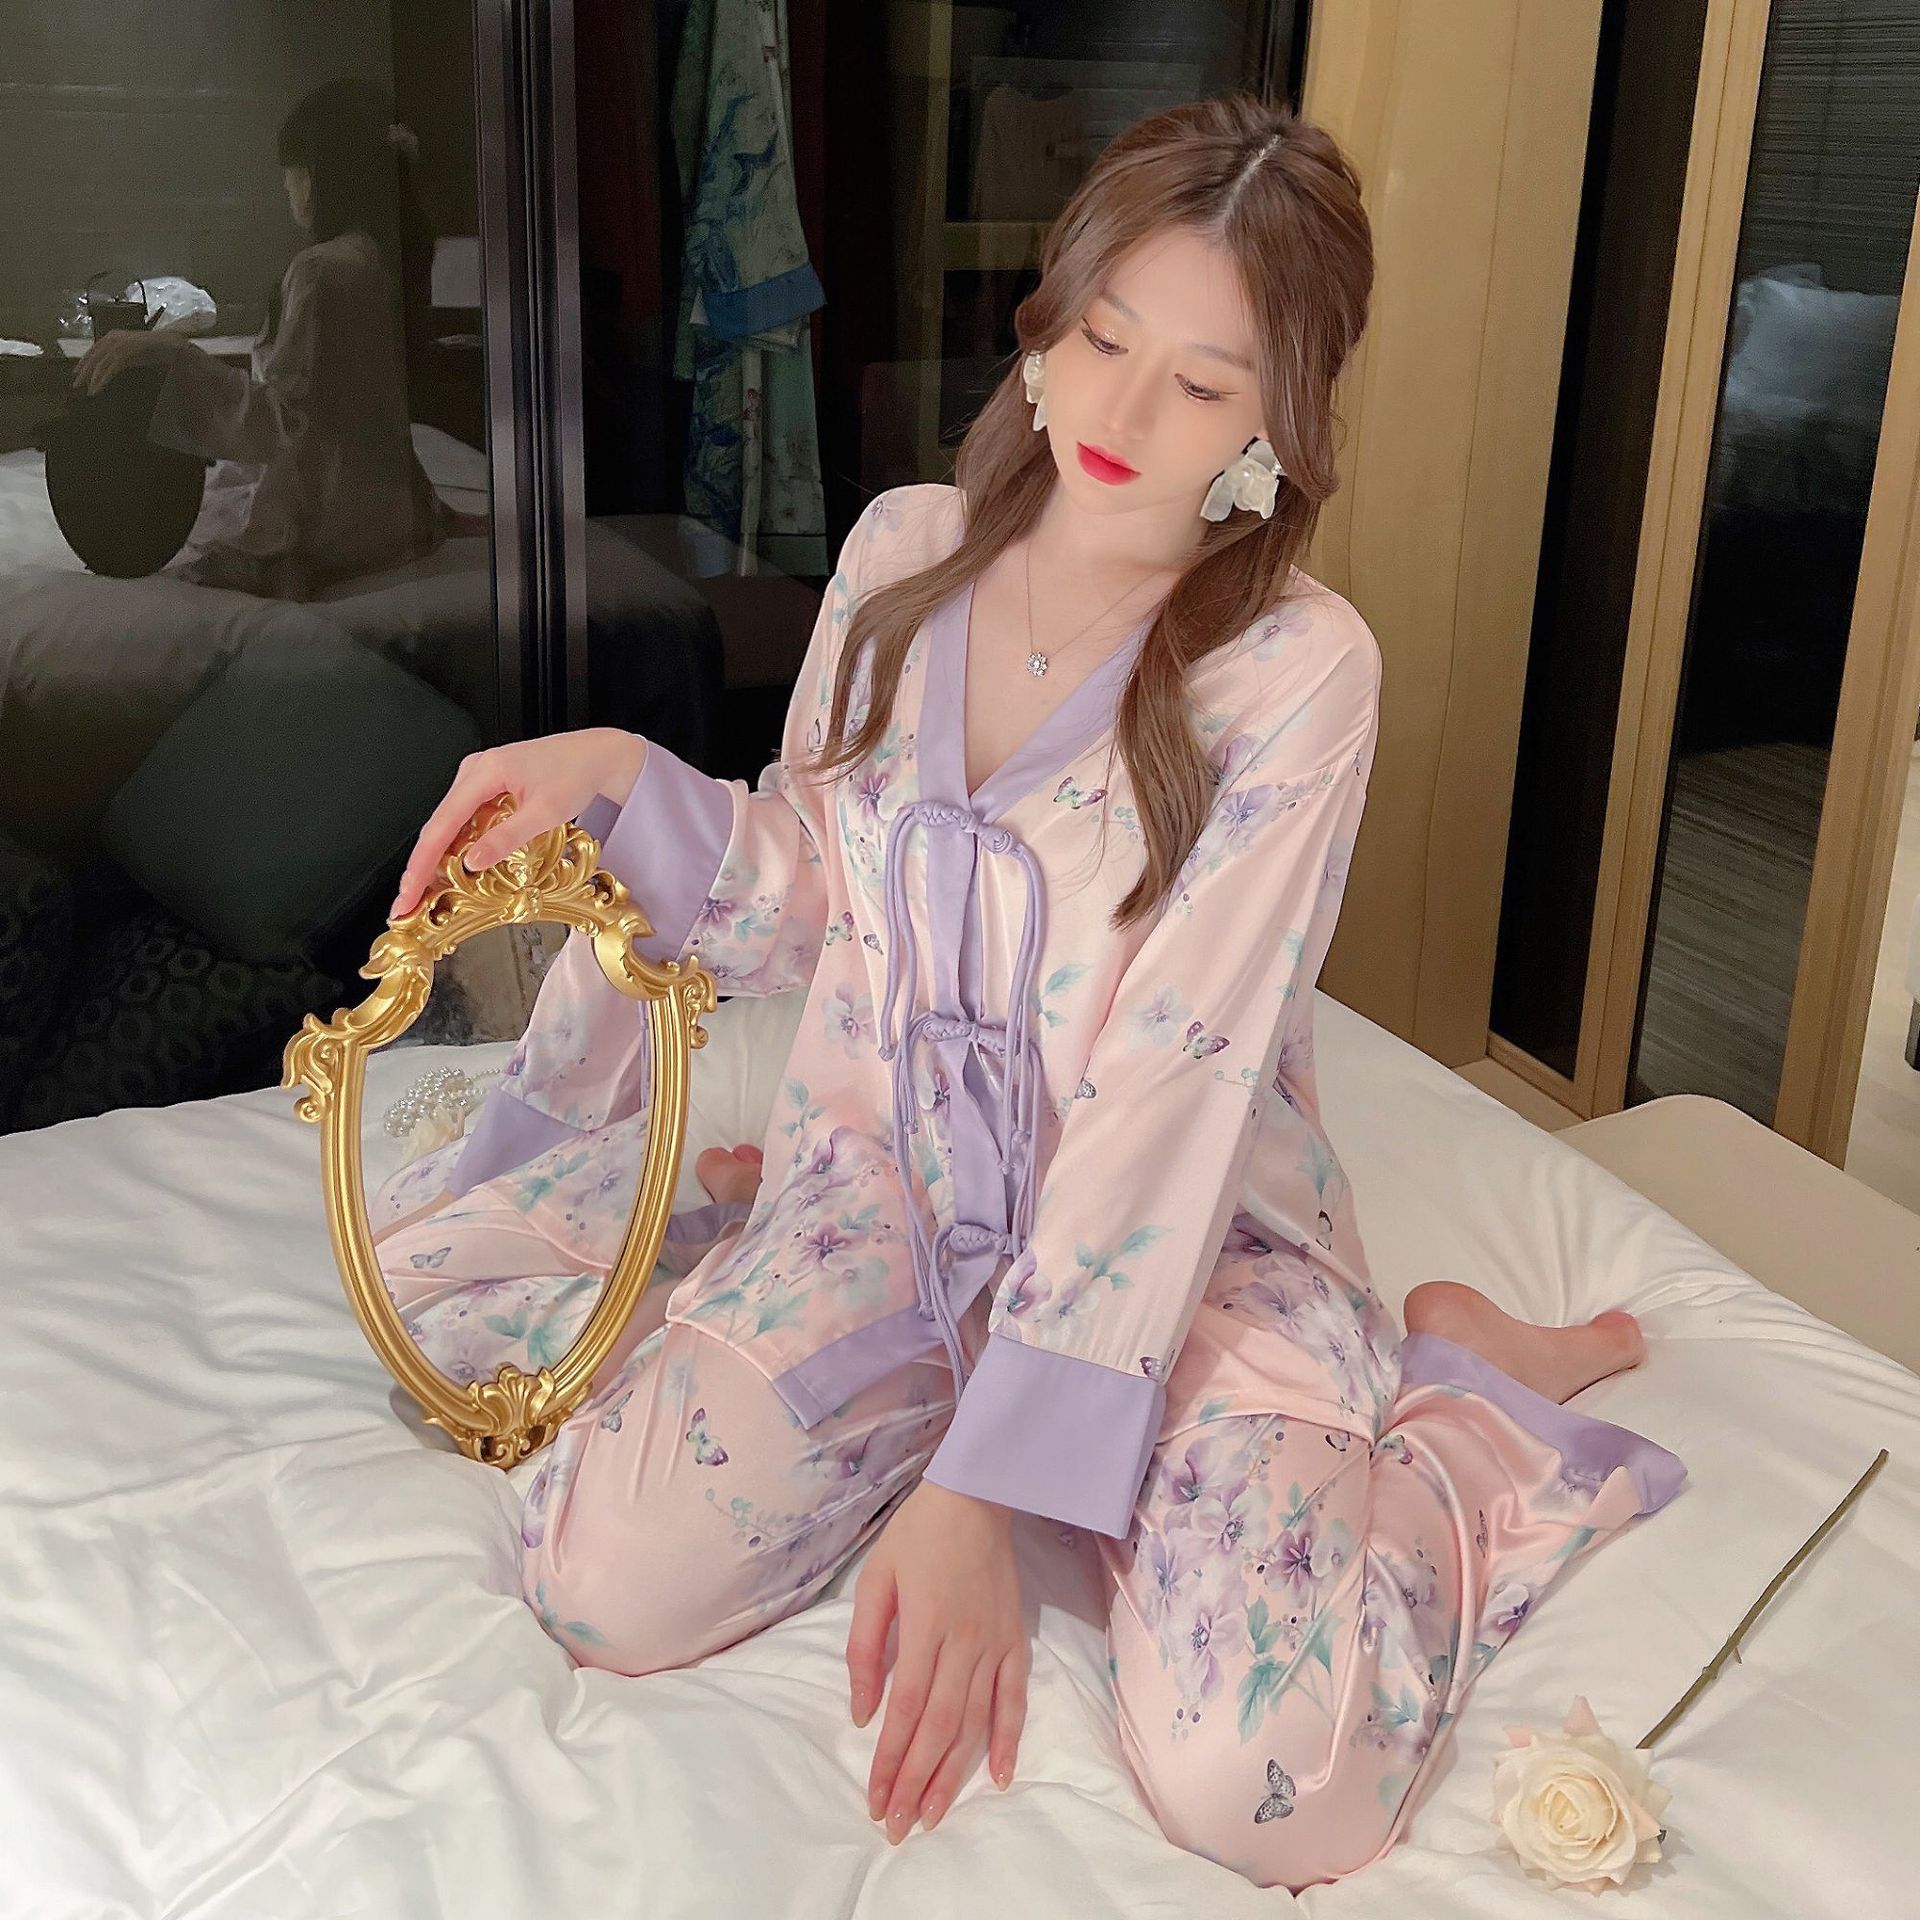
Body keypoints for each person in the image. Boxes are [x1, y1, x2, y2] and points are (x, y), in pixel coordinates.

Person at [369, 95, 1687, 1892]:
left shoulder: (1295, 671)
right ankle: (862, 1327)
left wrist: (984, 1492)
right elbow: (815, 875)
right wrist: (615, 774)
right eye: (1105, 338)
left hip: (1188, 1249)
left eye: (1204, 385)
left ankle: (1454, 1399)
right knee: (602, 1582)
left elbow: (1175, 1083)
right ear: (1048, 322)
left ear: (1279, 426)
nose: (1126, 414)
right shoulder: (906, 554)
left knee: (1264, 1788)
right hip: (895, 1195)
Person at [71, 77, 446, 598]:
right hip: (395, 518)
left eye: (291, 175)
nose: (287, 189)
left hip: (337, 528)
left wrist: (173, 353)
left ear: (316, 175)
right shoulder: (386, 258)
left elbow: (285, 423)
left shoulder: (322, 271)